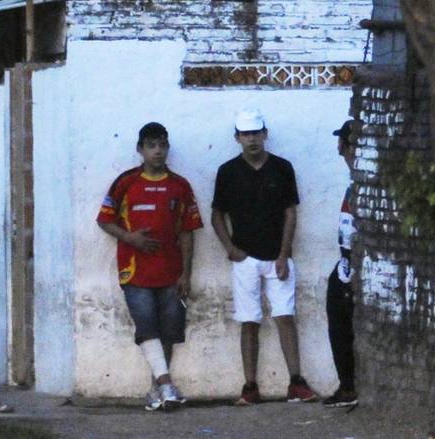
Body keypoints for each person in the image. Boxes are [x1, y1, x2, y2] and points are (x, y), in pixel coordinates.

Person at [211, 107, 316, 406]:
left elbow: (290, 213)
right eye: (246, 134)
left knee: (285, 316)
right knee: (249, 321)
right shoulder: (227, 172)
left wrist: (283, 255)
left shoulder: (282, 168)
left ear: (265, 134)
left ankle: (296, 382)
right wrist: (231, 250)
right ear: (237, 138)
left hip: (277, 257)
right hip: (245, 258)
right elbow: (217, 214)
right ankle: (250, 386)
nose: (252, 139)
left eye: (256, 133)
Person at [96, 122, 203, 411]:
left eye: (162, 145)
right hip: (135, 270)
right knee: (146, 327)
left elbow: (188, 231)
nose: (158, 151)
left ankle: (158, 389)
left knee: (168, 331)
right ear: (140, 149)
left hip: (170, 271)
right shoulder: (126, 182)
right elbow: (104, 220)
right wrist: (130, 238)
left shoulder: (179, 186)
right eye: (151, 145)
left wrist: (186, 273)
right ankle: (167, 384)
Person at [323, 120, 358, 408]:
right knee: (340, 325)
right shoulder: (356, 181)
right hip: (345, 264)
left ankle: (351, 385)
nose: (339, 150)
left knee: (346, 327)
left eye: (342, 143)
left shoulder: (366, 182)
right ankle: (347, 385)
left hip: (355, 266)